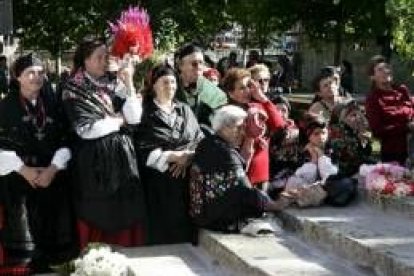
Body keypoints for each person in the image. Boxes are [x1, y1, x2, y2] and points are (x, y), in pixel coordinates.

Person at [61, 36, 146, 248]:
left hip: (122, 161)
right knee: (98, 214)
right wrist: (119, 120)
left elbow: (135, 118)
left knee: (123, 211)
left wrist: (128, 83)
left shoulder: (114, 82)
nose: (104, 61)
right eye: (99, 57)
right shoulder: (74, 87)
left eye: (105, 56)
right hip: (93, 165)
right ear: (85, 61)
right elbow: (87, 129)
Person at [0, 53, 76, 273]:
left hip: (53, 181)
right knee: (25, 253)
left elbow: (65, 141)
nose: (36, 77)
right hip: (19, 184)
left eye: (40, 72)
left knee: (55, 249)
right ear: (18, 77)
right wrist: (25, 170)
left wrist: (52, 170)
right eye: (29, 73)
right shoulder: (5, 108)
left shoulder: (54, 104)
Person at [189, 105, 292, 232]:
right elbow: (245, 189)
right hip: (214, 219)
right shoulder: (224, 152)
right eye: (239, 128)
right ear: (224, 127)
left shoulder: (207, 143)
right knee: (255, 199)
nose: (243, 132)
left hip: (201, 214)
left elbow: (240, 171)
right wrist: (276, 205)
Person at [135, 64, 204, 245]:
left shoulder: (185, 109)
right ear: (154, 85)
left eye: (173, 82)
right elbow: (143, 148)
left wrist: (187, 157)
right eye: (165, 82)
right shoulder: (145, 113)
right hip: (159, 184)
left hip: (186, 181)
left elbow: (199, 139)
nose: (171, 86)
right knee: (162, 232)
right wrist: (174, 156)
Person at [221, 68, 285, 189]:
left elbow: (279, 125)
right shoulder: (226, 113)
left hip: (262, 172)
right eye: (241, 88)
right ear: (230, 92)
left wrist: (263, 99)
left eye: (249, 86)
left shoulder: (258, 106)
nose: (247, 91)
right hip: (241, 173)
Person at [365, 55, 414, 165]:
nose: (386, 71)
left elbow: (411, 108)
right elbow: (377, 130)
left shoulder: (402, 90)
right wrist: (405, 127)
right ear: (372, 76)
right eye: (380, 69)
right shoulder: (373, 99)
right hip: (394, 152)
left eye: (387, 67)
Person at [175, 43, 227, 126]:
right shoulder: (170, 86)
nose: (199, 67)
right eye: (194, 64)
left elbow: (221, 114)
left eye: (201, 63)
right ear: (181, 66)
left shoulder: (210, 90)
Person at [329, 100, 373, 177]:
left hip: (356, 169)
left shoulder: (354, 130)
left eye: (360, 114)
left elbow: (366, 153)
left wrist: (364, 142)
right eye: (353, 115)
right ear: (342, 118)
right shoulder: (337, 132)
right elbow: (350, 158)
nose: (358, 118)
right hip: (341, 173)